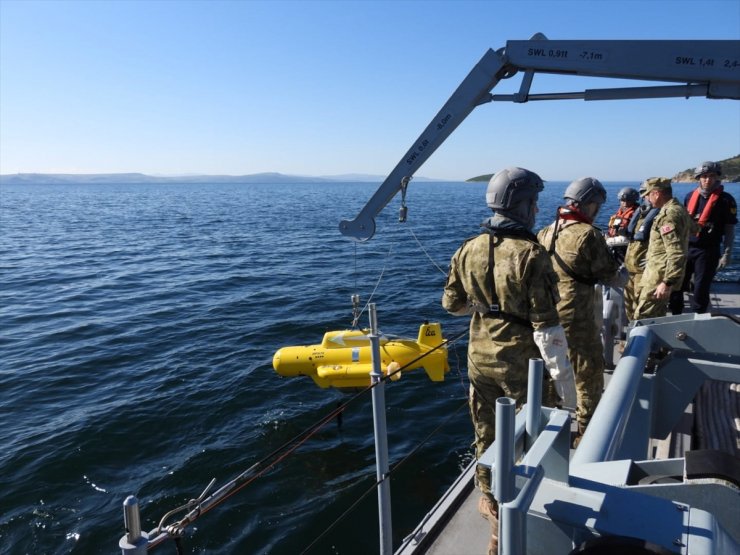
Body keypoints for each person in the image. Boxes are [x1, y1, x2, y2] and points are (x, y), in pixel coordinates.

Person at [442, 167, 576, 555]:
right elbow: (547, 328)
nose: (536, 210)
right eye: (534, 203)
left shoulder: (467, 248)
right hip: (522, 363)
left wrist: (486, 307)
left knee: (485, 429)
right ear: (522, 206)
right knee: (532, 430)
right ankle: (524, 508)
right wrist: (567, 390)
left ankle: (489, 498)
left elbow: (451, 305)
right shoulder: (531, 255)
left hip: (478, 358)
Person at [537, 177, 621, 445]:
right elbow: (608, 273)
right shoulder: (588, 234)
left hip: (549, 313)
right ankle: (586, 432)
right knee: (588, 371)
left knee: (553, 369)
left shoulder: (545, 231)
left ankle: (549, 429)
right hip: (579, 314)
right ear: (589, 205)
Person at [669, 161, 737, 314]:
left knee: (701, 287)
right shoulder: (689, 197)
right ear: (698, 178)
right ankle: (675, 314)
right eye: (704, 176)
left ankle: (698, 317)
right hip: (686, 248)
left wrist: (726, 254)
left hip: (707, 251)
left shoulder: (726, 200)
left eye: (711, 176)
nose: (707, 180)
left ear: (717, 178)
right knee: (677, 283)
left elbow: (729, 229)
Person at [634, 178, 693, 319]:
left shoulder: (668, 216)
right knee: (656, 318)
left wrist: (667, 282)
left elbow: (676, 252)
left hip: (659, 277)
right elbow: (694, 228)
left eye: (648, 195)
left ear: (657, 193)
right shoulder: (679, 209)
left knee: (643, 316)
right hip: (659, 273)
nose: (646, 199)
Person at [622, 180, 660, 321]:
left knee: (641, 306)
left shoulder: (661, 216)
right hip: (630, 266)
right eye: (643, 194)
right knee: (629, 303)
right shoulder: (642, 212)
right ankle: (632, 334)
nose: (644, 197)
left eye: (646, 194)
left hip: (644, 269)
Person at [604, 187, 640, 263]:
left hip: (625, 246)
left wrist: (609, 240)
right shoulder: (620, 212)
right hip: (615, 243)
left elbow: (633, 235)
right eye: (623, 201)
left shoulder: (636, 214)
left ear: (634, 201)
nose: (625, 203)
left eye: (628, 201)